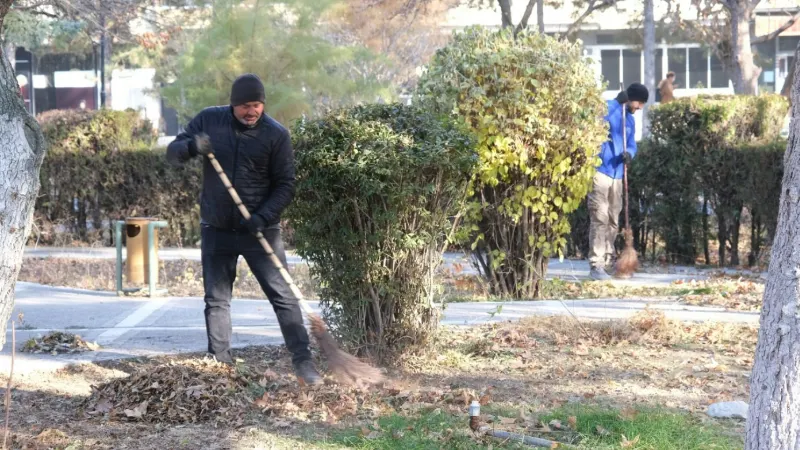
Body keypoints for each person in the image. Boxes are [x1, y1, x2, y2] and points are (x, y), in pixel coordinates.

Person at [166, 73, 321, 385]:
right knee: (217, 299)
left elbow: (285, 185)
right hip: (217, 228)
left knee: (285, 297)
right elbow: (174, 152)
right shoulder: (210, 120)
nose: (252, 111)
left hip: (260, 231)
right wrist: (193, 146)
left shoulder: (276, 135)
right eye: (245, 106)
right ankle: (220, 364)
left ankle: (304, 362)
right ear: (233, 104)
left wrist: (262, 217)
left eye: (257, 105)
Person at [588, 83, 648, 281]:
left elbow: (631, 144)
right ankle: (596, 265)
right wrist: (617, 104)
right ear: (630, 98)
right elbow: (602, 122)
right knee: (600, 217)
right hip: (601, 171)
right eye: (639, 103)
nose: (640, 107)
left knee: (613, 220)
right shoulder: (609, 108)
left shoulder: (630, 121)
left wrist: (629, 154)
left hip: (617, 175)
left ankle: (606, 261)